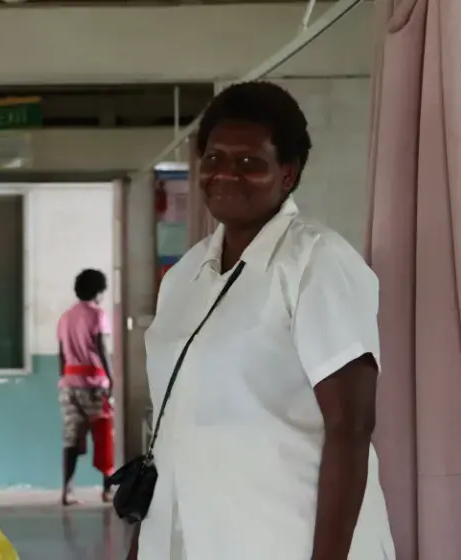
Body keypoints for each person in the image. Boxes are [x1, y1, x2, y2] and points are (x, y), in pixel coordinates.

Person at [128, 81, 395, 560]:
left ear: (288, 173)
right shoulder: (185, 277)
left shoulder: (316, 261)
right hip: (190, 538)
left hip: (286, 538)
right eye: (213, 158)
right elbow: (171, 429)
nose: (226, 174)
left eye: (250, 162)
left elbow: (351, 427)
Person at [57, 268, 115, 506]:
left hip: (68, 385)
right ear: (99, 291)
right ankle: (107, 491)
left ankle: (67, 491)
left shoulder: (65, 317)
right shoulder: (97, 314)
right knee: (104, 436)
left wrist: (64, 380)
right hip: (93, 384)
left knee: (71, 438)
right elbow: (102, 348)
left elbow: (61, 354)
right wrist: (112, 380)